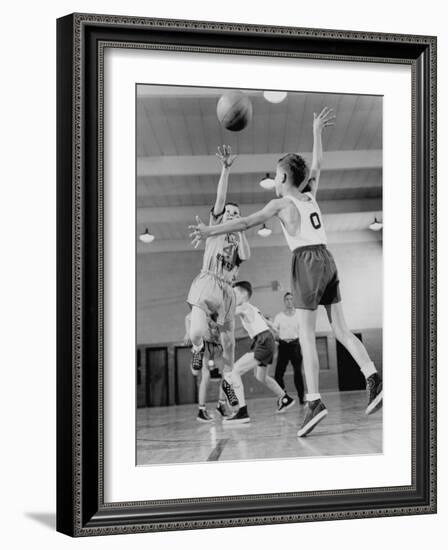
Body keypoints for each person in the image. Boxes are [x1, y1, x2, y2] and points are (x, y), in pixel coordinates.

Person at [189, 107, 383, 437]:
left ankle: (314, 401)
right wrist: (316, 131)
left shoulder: (280, 204)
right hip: (328, 260)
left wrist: (209, 231)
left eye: (276, 176)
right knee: (340, 328)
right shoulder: (309, 193)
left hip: (306, 261)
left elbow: (247, 222)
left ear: (280, 179)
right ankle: (373, 377)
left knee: (307, 334)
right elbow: (317, 165)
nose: (274, 181)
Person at [187, 145, 250, 409]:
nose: (232, 216)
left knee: (229, 347)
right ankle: (198, 349)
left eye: (237, 215)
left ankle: (226, 392)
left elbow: (245, 255)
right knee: (198, 331)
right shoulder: (214, 229)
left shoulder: (240, 241)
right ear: (222, 216)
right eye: (229, 214)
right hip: (208, 281)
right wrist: (225, 169)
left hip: (227, 290)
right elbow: (221, 197)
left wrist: (242, 228)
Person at [223, 281, 295, 425]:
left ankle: (242, 412)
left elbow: (228, 314)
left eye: (235, 293)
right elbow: (268, 323)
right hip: (264, 339)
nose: (233, 296)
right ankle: (284, 398)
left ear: (244, 294)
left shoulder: (243, 306)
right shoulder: (254, 308)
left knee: (235, 371)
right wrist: (275, 329)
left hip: (263, 340)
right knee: (261, 376)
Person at [184, 312, 228, 423]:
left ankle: (221, 404)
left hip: (215, 346)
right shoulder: (204, 310)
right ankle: (201, 410)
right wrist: (187, 332)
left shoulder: (221, 313)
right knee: (205, 375)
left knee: (227, 375)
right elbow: (187, 318)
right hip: (204, 345)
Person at [272, 292, 305, 404]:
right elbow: (274, 332)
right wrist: (278, 338)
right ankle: (284, 396)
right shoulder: (279, 316)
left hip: (295, 345)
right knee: (278, 374)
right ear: (284, 301)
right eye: (287, 299)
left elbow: (303, 332)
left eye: (291, 299)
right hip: (283, 346)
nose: (289, 301)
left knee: (298, 373)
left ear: (293, 301)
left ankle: (302, 398)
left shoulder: (299, 316)